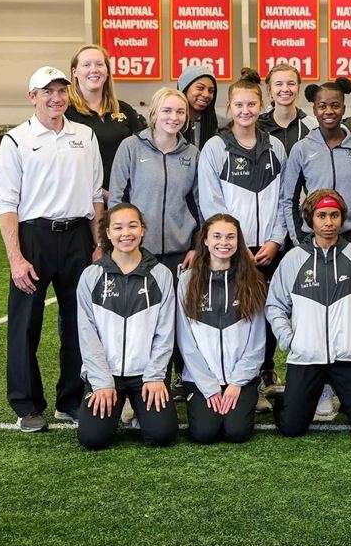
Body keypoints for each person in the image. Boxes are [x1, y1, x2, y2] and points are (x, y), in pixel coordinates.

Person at [0, 66, 104, 432]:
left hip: (78, 237)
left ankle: (70, 400)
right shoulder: (16, 140)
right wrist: (16, 258)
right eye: (47, 92)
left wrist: (98, 242)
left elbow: (94, 196)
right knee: (26, 325)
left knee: (79, 323)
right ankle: (28, 405)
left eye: (60, 90)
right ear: (33, 97)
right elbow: (7, 205)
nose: (55, 98)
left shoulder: (85, 136)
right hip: (34, 238)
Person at [198, 67, 288, 410]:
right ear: (229, 106)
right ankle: (239, 380)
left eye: (252, 104)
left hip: (268, 248)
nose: (246, 111)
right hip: (231, 250)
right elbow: (212, 204)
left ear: (261, 105)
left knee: (265, 312)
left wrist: (275, 240)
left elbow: (283, 198)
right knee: (237, 315)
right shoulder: (216, 147)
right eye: (239, 104)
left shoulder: (276, 147)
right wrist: (236, 248)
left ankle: (265, 374)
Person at [266, 190, 351, 437]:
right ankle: (285, 399)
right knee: (291, 429)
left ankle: (348, 398)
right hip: (307, 357)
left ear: (342, 218)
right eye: (321, 216)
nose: (328, 222)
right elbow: (275, 305)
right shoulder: (294, 259)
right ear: (311, 220)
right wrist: (290, 340)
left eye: (334, 215)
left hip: (349, 356)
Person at [75, 203, 177, 450]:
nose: (126, 233)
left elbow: (165, 332)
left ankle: (137, 405)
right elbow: (87, 335)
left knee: (161, 435)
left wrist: (155, 377)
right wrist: (101, 382)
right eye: (118, 228)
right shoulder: (91, 275)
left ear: (142, 230)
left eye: (133, 226)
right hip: (107, 374)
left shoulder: (161, 274)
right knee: (93, 439)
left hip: (145, 375)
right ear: (108, 233)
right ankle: (120, 403)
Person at [177, 214, 266, 444]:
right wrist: (209, 387)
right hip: (200, 379)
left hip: (240, 379)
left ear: (239, 242)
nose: (223, 243)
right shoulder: (187, 281)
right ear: (205, 240)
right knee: (204, 433)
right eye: (216, 236)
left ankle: (251, 395)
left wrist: (236, 383)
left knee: (237, 432)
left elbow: (257, 342)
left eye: (230, 237)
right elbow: (186, 342)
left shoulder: (253, 281)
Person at [109, 87, 201, 279]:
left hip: (180, 253)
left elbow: (199, 204)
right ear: (154, 113)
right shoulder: (131, 147)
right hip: (137, 249)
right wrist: (121, 242)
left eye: (180, 112)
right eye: (167, 110)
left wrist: (196, 246)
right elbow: (117, 199)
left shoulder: (192, 154)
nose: (174, 117)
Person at [281, 78, 351, 247]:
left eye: (335, 105)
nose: (329, 111)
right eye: (322, 106)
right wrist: (298, 238)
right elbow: (288, 199)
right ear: (314, 109)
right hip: (314, 237)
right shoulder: (302, 149)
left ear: (343, 109)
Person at [64, 44, 145, 191]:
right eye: (86, 64)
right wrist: (101, 194)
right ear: (74, 72)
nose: (94, 69)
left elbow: (144, 152)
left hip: (124, 199)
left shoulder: (125, 110)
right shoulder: (65, 113)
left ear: (107, 71)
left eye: (99, 64)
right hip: (83, 200)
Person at [257, 63, 317, 155]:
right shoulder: (257, 126)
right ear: (269, 90)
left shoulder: (313, 127)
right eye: (279, 84)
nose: (285, 89)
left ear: (298, 88)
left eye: (291, 84)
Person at [177, 65, 226, 149]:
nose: (206, 94)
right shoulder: (170, 123)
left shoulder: (222, 126)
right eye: (200, 88)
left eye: (211, 91)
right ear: (185, 89)